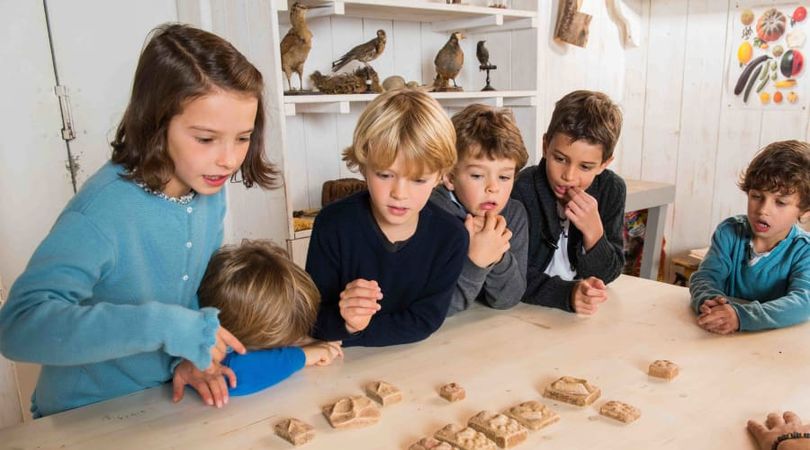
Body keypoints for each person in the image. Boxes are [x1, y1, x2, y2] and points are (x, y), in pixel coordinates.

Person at [0, 23, 279, 417]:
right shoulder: (101, 211)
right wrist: (166, 325)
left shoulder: (207, 192)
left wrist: (188, 356)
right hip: (83, 414)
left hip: (164, 400)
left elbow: (187, 294)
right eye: (205, 138)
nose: (229, 159)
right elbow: (18, 328)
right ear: (156, 122)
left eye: (243, 137)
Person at [307, 89, 468, 347]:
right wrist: (346, 322)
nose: (399, 194)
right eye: (384, 175)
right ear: (362, 166)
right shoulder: (332, 225)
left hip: (413, 360)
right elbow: (311, 319)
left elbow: (426, 320)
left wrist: (351, 331)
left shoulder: (452, 237)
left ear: (441, 176)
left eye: (418, 180)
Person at [173, 240, 342, 401]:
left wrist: (302, 341)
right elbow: (235, 375)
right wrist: (304, 356)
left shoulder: (228, 309)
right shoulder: (205, 336)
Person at [511, 90, 625, 315]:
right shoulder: (521, 189)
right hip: (524, 312)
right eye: (560, 159)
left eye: (585, 167)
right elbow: (514, 275)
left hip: (581, 318)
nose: (569, 176)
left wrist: (594, 234)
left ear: (604, 164)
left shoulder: (611, 189)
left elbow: (608, 274)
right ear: (545, 146)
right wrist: (567, 294)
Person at [691, 140, 810, 334]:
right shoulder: (729, 232)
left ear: (805, 212)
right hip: (722, 338)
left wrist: (740, 316)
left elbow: (803, 303)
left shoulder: (804, 250)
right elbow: (706, 277)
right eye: (756, 196)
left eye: (780, 202)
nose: (763, 210)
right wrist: (709, 301)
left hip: (773, 346)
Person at [430, 103, 529, 315]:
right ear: (449, 177)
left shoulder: (514, 214)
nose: (493, 187)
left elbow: (509, 298)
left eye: (504, 177)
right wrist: (474, 261)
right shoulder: (432, 213)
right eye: (477, 175)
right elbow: (432, 306)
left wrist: (498, 255)